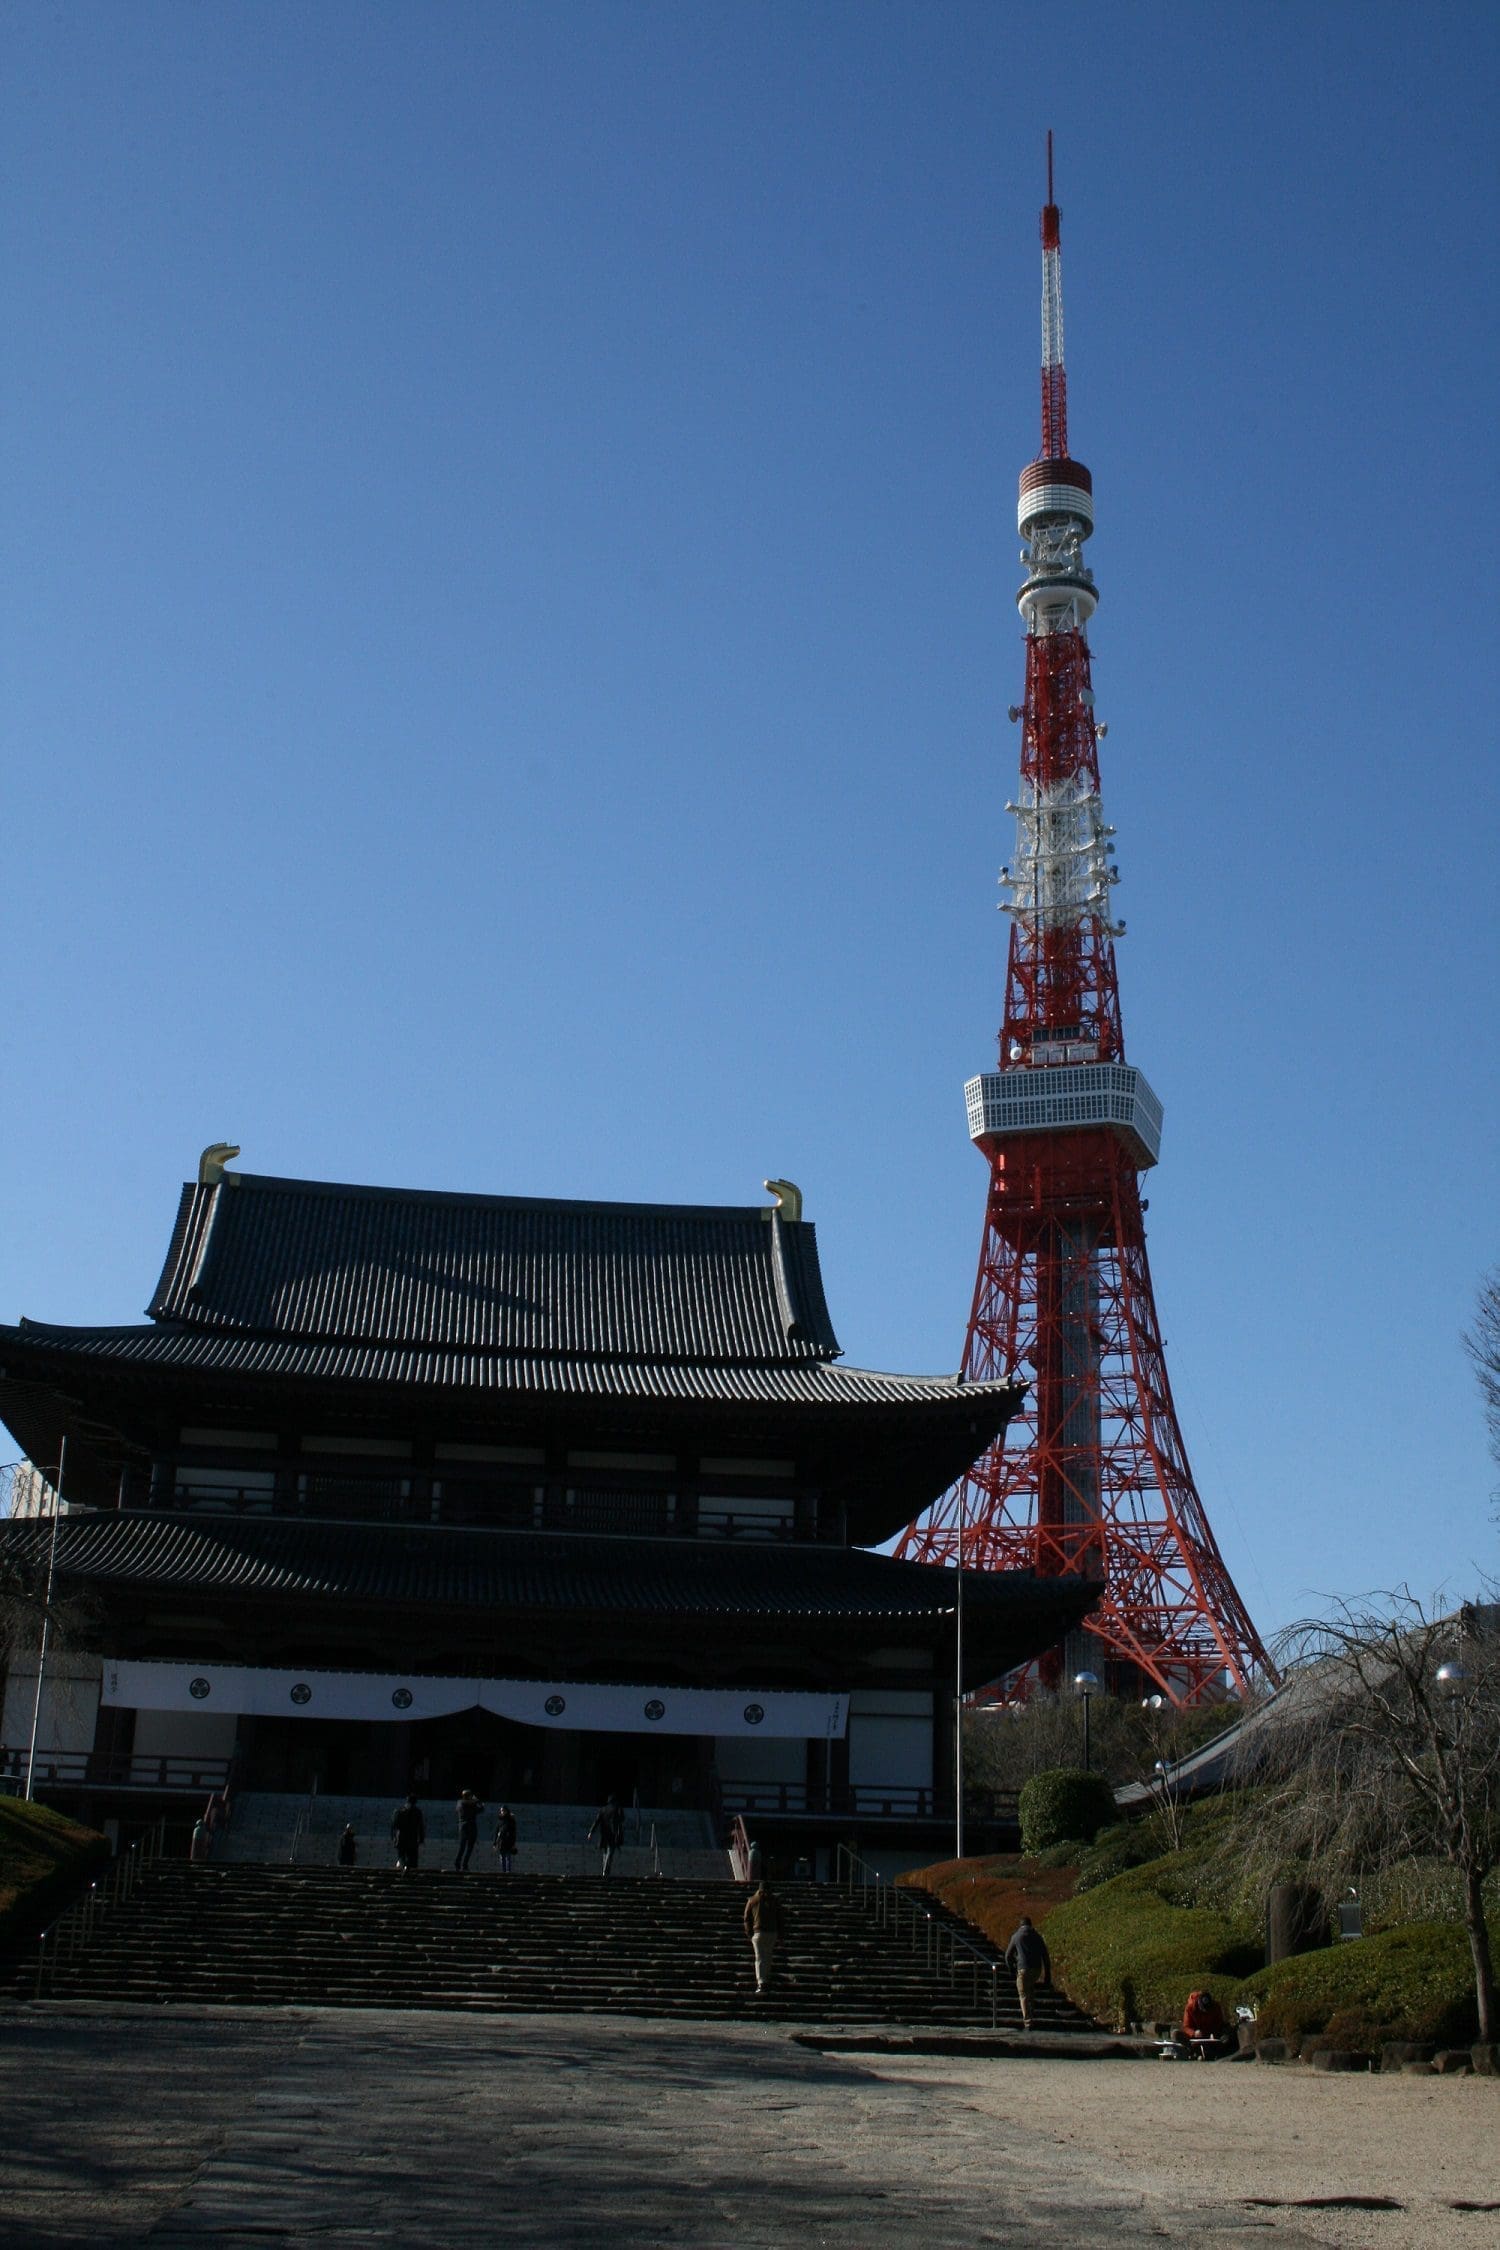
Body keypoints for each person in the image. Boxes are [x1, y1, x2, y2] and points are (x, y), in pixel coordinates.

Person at [1004, 1914, 1051, 2031]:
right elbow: (1045, 1955)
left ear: (1020, 1925)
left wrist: (1011, 1969)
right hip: (1036, 1969)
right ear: (1030, 1925)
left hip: (1022, 1968)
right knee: (1030, 1989)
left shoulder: (1016, 1936)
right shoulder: (1037, 1936)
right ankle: (1032, 2011)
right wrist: (1047, 1974)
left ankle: (1028, 2022)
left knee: (1023, 1994)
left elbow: (1008, 1955)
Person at [743, 1880, 784, 1996]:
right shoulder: (775, 1901)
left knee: (760, 1957)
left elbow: (746, 1918)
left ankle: (762, 1982)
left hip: (759, 1932)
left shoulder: (752, 1900)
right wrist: (781, 1935)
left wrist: (749, 1933)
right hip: (771, 1932)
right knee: (767, 1956)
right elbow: (780, 1918)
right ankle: (765, 1979)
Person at [1181, 1989, 1228, 2056]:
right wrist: (1194, 2033)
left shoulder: (1216, 2006)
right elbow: (1186, 2027)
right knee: (1176, 2034)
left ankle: (1218, 2051)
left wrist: (1214, 2033)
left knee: (1226, 2033)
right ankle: (1192, 2051)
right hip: (1196, 2037)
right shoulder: (1190, 2008)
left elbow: (1219, 2023)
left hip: (1212, 2036)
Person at [587, 1795, 626, 1875]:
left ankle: (605, 1871)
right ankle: (606, 1870)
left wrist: (591, 1832)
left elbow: (597, 1821)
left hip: (604, 1834)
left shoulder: (603, 1810)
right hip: (613, 1834)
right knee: (610, 1853)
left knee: (605, 1853)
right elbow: (622, 1819)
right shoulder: (617, 1808)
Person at [391, 1793, 426, 1873]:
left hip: (401, 1836)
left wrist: (394, 1837)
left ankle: (404, 1867)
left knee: (401, 1855)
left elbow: (394, 1825)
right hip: (412, 1837)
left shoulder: (399, 1810)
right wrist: (421, 1838)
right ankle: (408, 1868)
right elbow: (420, 1826)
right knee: (412, 1856)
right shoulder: (417, 1812)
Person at [454, 1789, 484, 1872]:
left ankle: (459, 1863)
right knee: (468, 1847)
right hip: (470, 1826)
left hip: (462, 1826)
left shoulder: (459, 1803)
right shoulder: (470, 1804)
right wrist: (477, 1801)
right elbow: (481, 1809)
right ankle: (463, 1864)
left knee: (463, 1846)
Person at [493, 1804, 518, 1873]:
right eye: (501, 1811)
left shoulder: (511, 1820)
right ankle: (503, 1871)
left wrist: (513, 1843)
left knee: (508, 1857)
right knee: (502, 1857)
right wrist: (494, 1843)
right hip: (501, 1841)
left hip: (509, 1841)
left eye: (503, 1811)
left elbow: (513, 1832)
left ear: (506, 1811)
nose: (502, 1812)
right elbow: (496, 1832)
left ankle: (508, 1871)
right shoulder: (499, 1821)